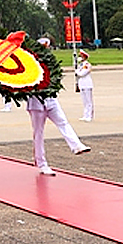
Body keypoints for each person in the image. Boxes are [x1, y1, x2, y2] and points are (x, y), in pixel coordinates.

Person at [28, 38, 91, 175]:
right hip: (36, 102)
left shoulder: (51, 63)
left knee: (63, 122)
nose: (46, 50)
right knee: (38, 133)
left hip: (51, 100)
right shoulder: (30, 63)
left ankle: (76, 145)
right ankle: (41, 163)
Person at [75, 49, 94, 121]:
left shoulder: (87, 65)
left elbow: (82, 73)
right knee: (84, 101)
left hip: (87, 84)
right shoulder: (80, 65)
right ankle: (85, 115)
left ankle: (89, 116)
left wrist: (77, 72)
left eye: (81, 56)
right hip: (82, 84)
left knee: (89, 101)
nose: (80, 57)